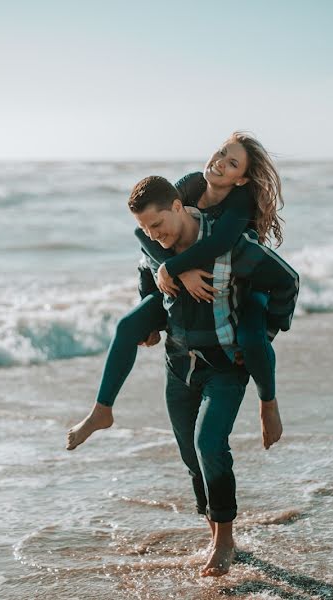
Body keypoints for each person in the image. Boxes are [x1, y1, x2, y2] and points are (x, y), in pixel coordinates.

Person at [67, 132, 286, 451]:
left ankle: (269, 405)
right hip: (194, 286)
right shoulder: (192, 184)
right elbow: (145, 232)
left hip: (245, 285)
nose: (221, 162)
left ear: (242, 179)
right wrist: (174, 272)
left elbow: (220, 243)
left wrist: (173, 267)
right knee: (128, 326)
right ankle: (102, 410)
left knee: (252, 340)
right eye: (222, 152)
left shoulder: (240, 200)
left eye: (233, 162)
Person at [127, 175, 299, 576]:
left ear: (177, 207)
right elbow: (145, 275)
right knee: (191, 457)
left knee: (208, 444)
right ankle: (214, 530)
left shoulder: (230, 245)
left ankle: (225, 540)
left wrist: (264, 333)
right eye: (145, 229)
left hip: (225, 366)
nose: (153, 235)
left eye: (157, 224)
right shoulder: (158, 251)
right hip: (178, 368)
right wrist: (150, 325)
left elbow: (286, 281)